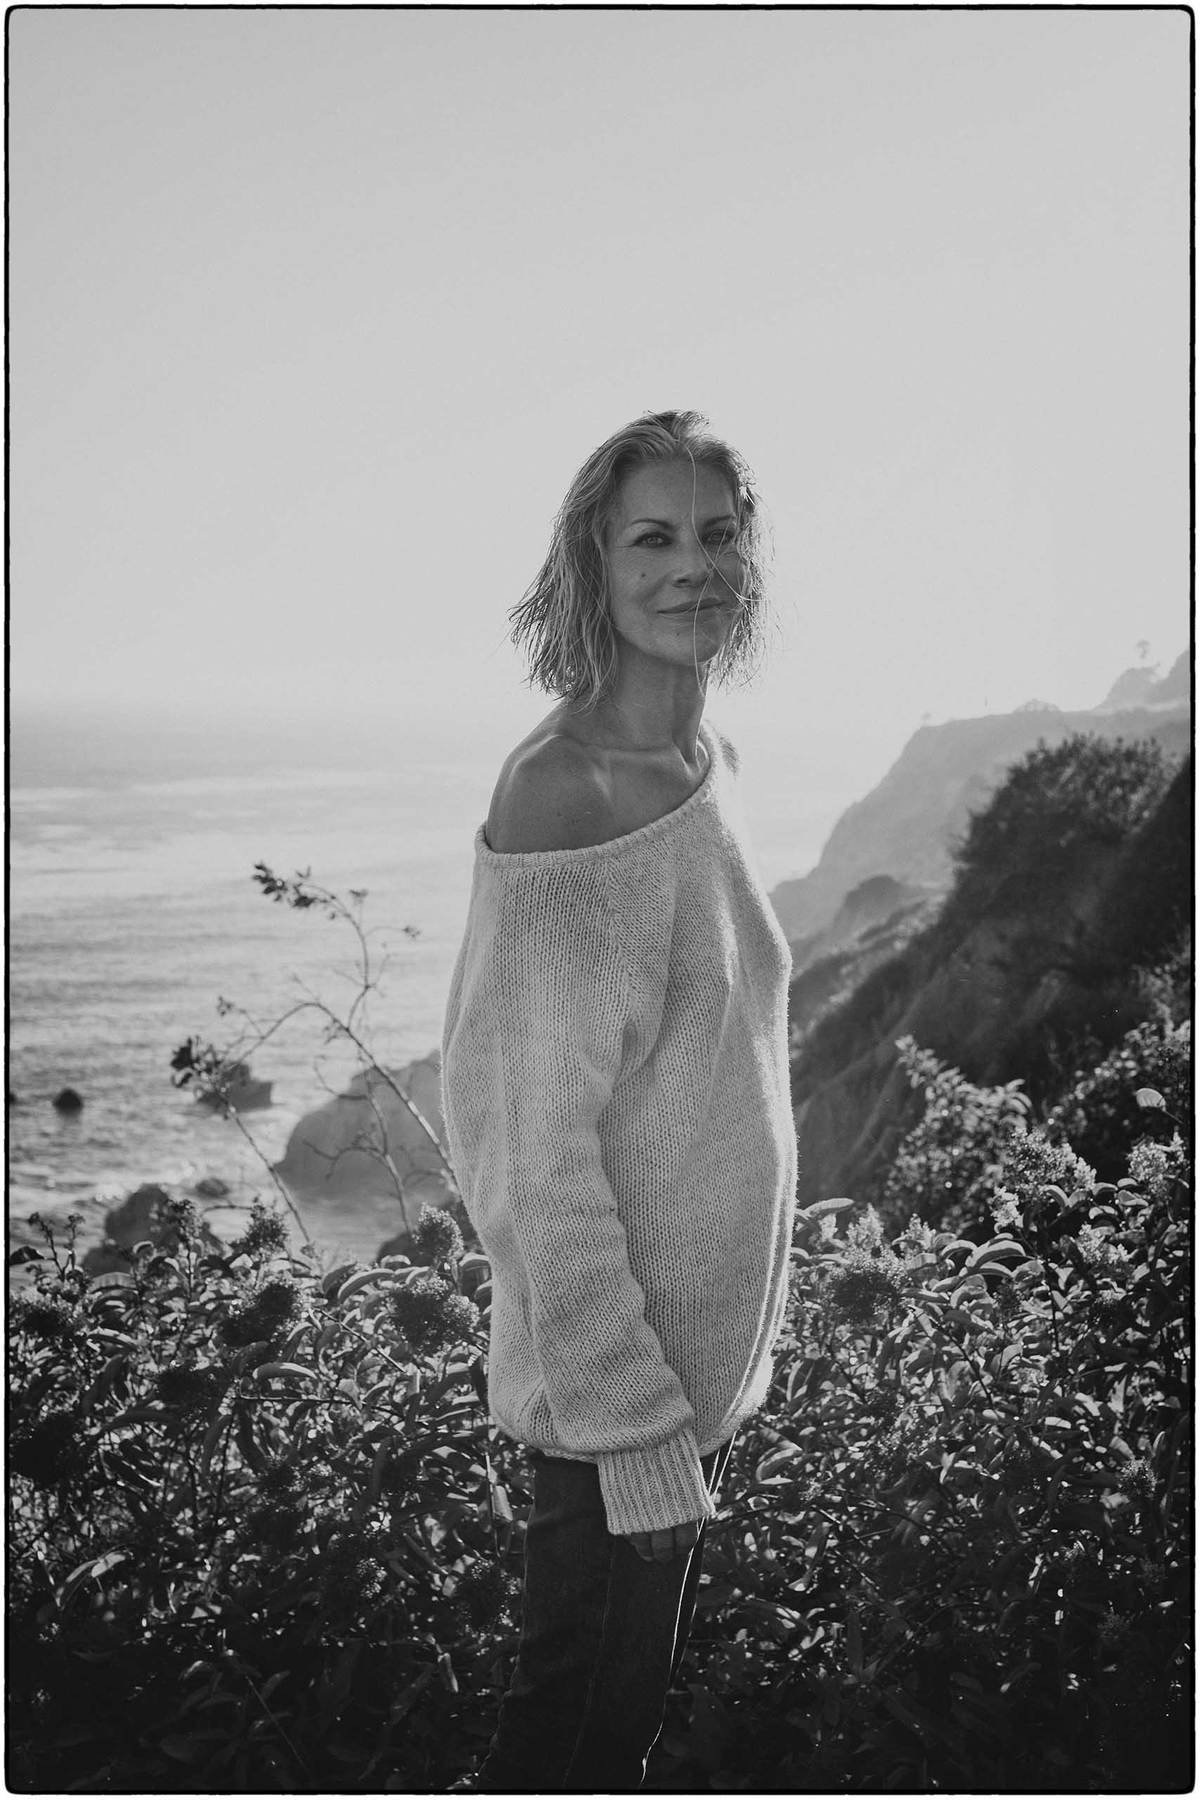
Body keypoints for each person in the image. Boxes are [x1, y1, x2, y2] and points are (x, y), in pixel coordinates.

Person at [440, 410, 797, 1792]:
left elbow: (714, 1078)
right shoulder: (561, 804)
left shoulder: (710, 770)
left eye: (720, 535)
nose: (692, 566)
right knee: (572, 1760)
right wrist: (642, 1440)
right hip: (615, 1426)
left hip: (688, 1394)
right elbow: (528, 1164)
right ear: (591, 564)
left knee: (615, 1747)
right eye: (653, 537)